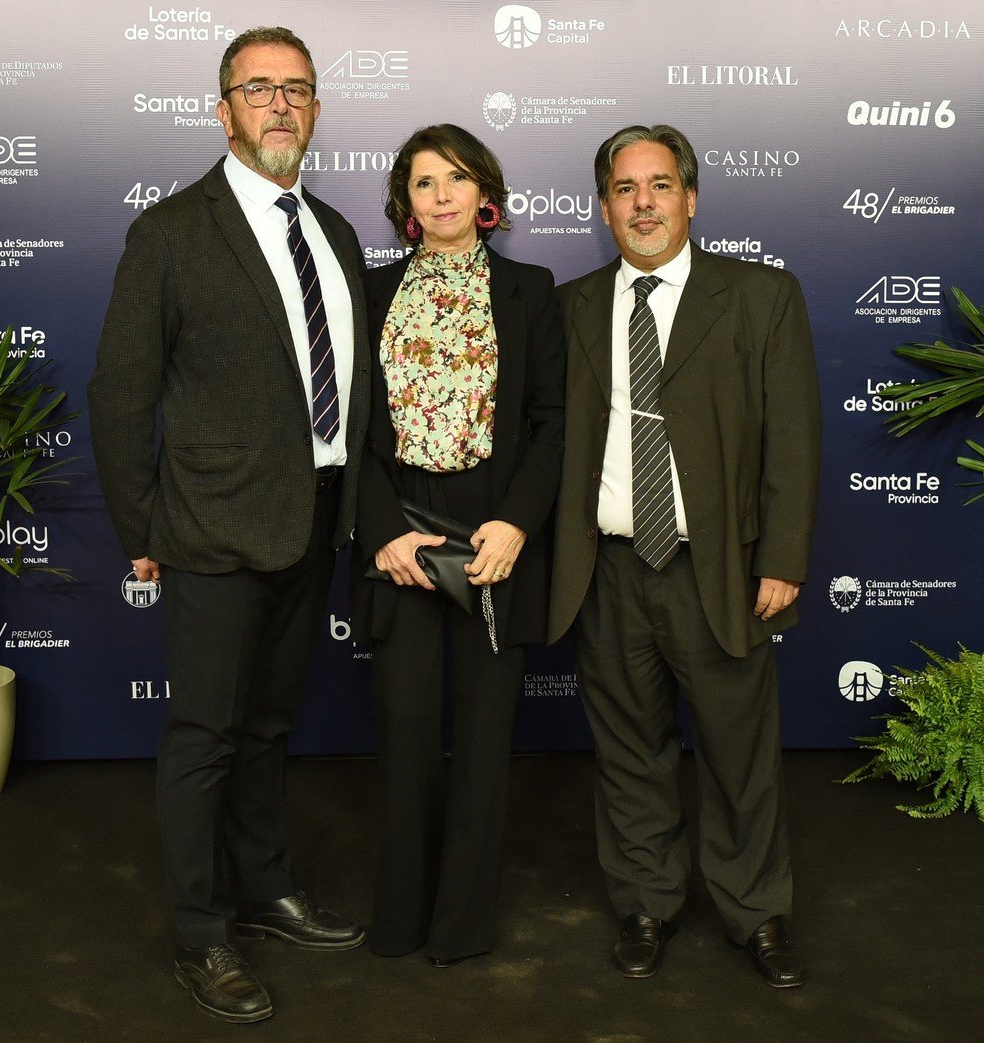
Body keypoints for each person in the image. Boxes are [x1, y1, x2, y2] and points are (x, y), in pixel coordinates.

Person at [88, 26, 369, 1025]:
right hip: (208, 528)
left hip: (315, 522)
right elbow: (120, 394)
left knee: (268, 725)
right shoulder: (169, 232)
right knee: (204, 734)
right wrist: (143, 526)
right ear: (223, 111)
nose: (280, 105)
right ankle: (203, 934)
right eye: (258, 90)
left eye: (296, 89)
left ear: (316, 109)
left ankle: (268, 888)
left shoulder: (332, 231)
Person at [548, 124, 821, 986]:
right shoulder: (572, 306)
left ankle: (755, 912)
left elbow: (794, 440)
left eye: (658, 186)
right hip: (609, 568)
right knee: (630, 751)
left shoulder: (760, 296)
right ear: (603, 208)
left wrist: (781, 557)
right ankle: (644, 901)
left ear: (690, 198)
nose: (642, 204)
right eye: (624, 190)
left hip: (719, 569)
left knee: (739, 752)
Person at [354, 124, 565, 967]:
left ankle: (463, 924)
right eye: (422, 182)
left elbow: (551, 423)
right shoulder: (368, 292)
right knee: (406, 732)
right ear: (404, 204)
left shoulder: (529, 288)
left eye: (456, 179)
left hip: (492, 530)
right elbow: (347, 430)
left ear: (487, 196)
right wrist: (380, 534)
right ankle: (399, 917)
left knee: (482, 738)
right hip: (401, 521)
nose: (440, 195)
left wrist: (515, 521)